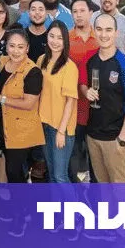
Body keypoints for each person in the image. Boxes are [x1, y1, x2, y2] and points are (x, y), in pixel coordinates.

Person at [0, 29, 44, 237]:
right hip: (2, 126)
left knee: (16, 173)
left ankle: (22, 217)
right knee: (6, 171)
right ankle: (17, 210)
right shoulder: (1, 62)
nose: (16, 51)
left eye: (21, 47)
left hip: (21, 130)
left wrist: (0, 98)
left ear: (27, 48)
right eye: (12, 46)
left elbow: (29, 103)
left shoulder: (32, 71)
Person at [80, 13, 125, 183]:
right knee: (101, 188)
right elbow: (82, 84)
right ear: (93, 31)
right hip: (93, 136)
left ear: (116, 33)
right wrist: (86, 92)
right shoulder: (90, 59)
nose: (103, 34)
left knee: (120, 192)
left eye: (108, 30)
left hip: (115, 138)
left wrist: (121, 140)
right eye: (99, 29)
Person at [36, 20, 78, 184]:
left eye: (59, 38)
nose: (55, 41)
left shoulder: (69, 67)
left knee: (60, 176)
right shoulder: (41, 60)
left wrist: (61, 132)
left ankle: (72, 209)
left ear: (65, 41)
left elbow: (70, 102)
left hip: (61, 127)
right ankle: (57, 209)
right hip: (44, 123)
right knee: (52, 173)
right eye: (52, 36)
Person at [68, 0, 99, 182]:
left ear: (90, 13)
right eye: (75, 11)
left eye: (82, 11)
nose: (78, 15)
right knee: (72, 159)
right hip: (72, 109)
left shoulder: (102, 38)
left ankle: (96, 197)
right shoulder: (65, 39)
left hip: (97, 110)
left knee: (96, 161)